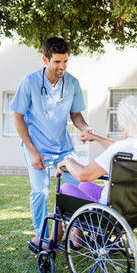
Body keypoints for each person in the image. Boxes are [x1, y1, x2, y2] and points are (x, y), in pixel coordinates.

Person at [11, 37, 92, 247]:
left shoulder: (72, 83)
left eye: (65, 61)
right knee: (40, 191)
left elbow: (76, 116)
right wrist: (32, 151)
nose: (62, 66)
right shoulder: (29, 83)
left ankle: (78, 232)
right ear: (45, 59)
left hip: (63, 148)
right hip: (36, 147)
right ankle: (44, 237)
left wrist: (85, 128)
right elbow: (17, 117)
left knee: (82, 185)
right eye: (57, 62)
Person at [56, 95, 137, 249]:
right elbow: (119, 147)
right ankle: (77, 238)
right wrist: (94, 138)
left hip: (110, 215)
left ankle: (54, 241)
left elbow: (84, 174)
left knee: (66, 189)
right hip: (136, 209)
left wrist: (68, 162)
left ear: (123, 123)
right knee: (84, 186)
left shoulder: (120, 148)